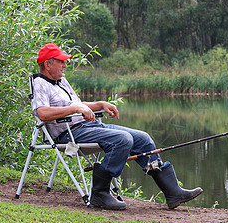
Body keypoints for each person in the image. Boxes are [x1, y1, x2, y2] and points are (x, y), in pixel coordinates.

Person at [31, 43, 203, 210]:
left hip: (89, 128)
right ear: (48, 63)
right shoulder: (40, 83)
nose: (65, 65)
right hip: (69, 134)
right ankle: (99, 193)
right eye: (61, 61)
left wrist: (99, 104)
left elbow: (77, 104)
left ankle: (173, 192)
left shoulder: (61, 81)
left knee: (142, 138)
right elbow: (43, 113)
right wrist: (77, 108)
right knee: (122, 140)